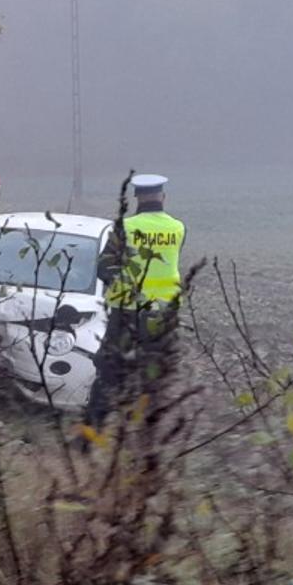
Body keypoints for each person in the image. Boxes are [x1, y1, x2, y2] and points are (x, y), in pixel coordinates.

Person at [82, 173, 186, 441]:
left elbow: (105, 268)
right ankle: (148, 441)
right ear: (163, 197)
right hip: (163, 315)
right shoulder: (177, 228)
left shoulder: (124, 227)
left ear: (137, 197)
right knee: (154, 376)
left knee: (109, 371)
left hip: (127, 314)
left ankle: (90, 436)